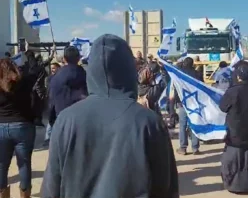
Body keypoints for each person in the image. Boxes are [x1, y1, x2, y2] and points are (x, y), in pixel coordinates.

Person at [41, 34, 179, 198]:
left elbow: (51, 189)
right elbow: (166, 188)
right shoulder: (149, 122)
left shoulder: (66, 120)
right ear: (129, 69)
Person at [219, 64, 248, 194]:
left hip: (235, 132)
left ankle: (234, 183)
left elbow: (222, 107)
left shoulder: (232, 91)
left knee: (233, 159)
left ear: (238, 77)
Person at [0, 58, 41, 198]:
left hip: (1, 126)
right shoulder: (24, 81)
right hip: (23, 126)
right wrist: (31, 58)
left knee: (1, 165)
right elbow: (36, 70)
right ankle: (25, 195)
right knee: (24, 165)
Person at [48, 46, 87, 124]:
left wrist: (52, 121)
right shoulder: (87, 77)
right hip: (83, 122)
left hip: (61, 121)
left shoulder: (56, 78)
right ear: (78, 58)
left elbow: (52, 101)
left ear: (64, 59)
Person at [175, 57, 203, 155]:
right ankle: (195, 148)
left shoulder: (179, 74)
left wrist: (176, 101)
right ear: (192, 64)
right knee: (194, 124)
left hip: (182, 102)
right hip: (194, 103)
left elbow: (176, 88)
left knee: (182, 125)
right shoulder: (198, 74)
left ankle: (183, 148)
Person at [43, 62, 61, 147]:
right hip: (51, 101)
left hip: (58, 101)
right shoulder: (49, 78)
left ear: (58, 68)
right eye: (52, 68)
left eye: (54, 68)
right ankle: (48, 138)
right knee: (50, 120)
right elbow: (48, 90)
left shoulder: (61, 77)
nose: (52, 70)